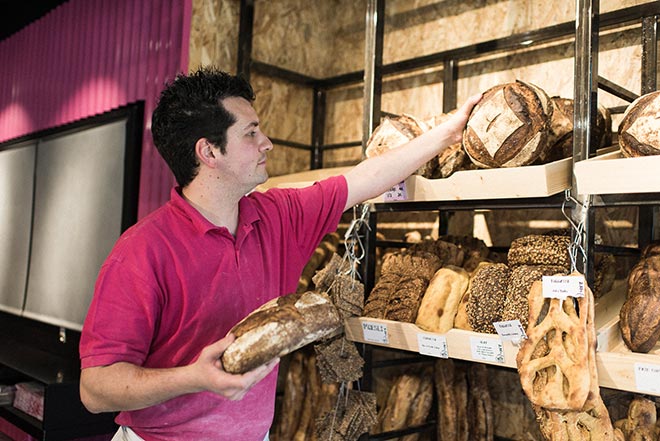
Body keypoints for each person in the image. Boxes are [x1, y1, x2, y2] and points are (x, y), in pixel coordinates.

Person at [79, 66, 480, 441]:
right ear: (209, 152)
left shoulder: (278, 217)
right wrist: (195, 377)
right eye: (251, 133)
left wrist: (447, 133)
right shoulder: (142, 251)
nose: (266, 142)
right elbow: (95, 390)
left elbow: (365, 178)